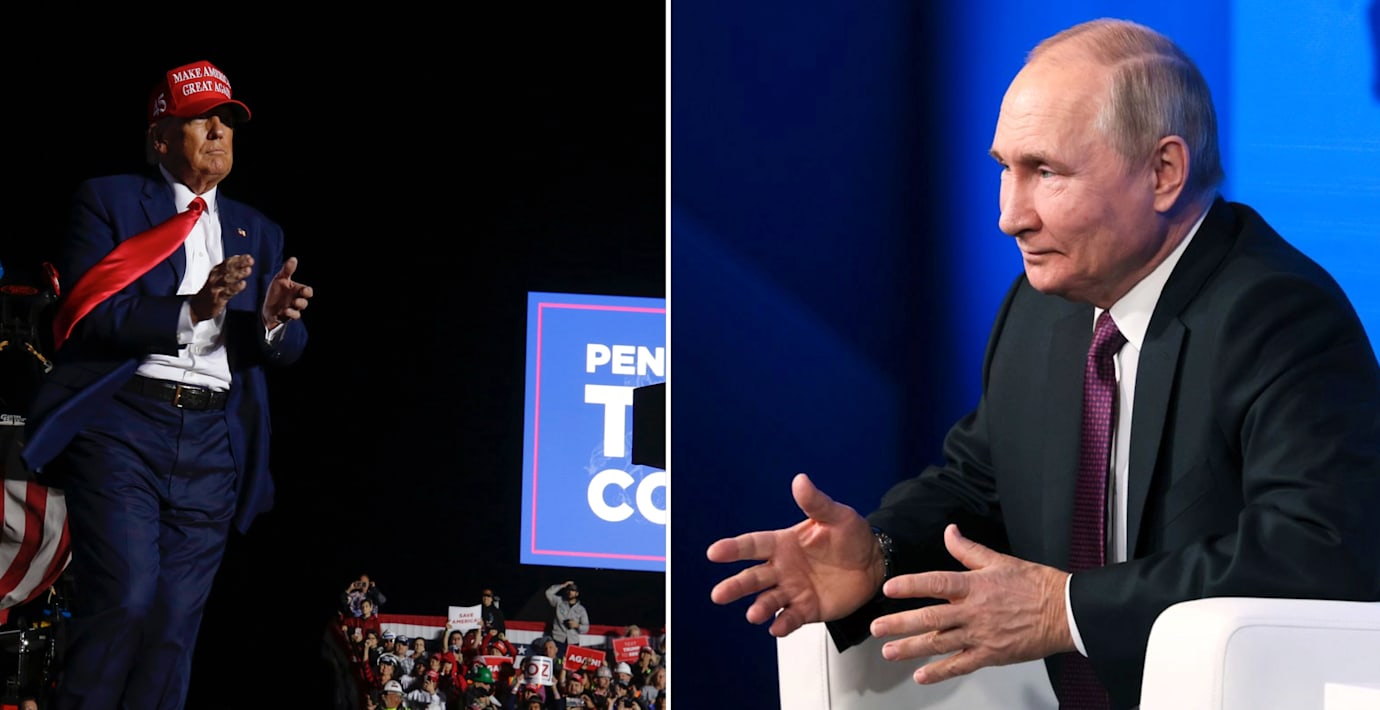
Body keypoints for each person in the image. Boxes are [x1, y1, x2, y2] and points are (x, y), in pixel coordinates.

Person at [706, 17, 1380, 710]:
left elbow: (1318, 550)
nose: (1010, 216)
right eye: (1005, 169)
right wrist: (878, 553)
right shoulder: (1041, 307)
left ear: (1163, 172)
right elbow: (981, 488)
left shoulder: (1278, 315)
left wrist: (1066, 609)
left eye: (1046, 172)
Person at [20, 59, 313, 710]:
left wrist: (272, 323)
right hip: (123, 426)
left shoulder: (258, 230)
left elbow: (284, 348)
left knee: (174, 626)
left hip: (213, 442)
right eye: (200, 119)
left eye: (227, 120)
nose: (218, 131)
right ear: (159, 138)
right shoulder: (110, 201)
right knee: (125, 599)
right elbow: (89, 316)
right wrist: (193, 309)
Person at [543, 581, 589, 655]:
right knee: (557, 660)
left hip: (573, 641)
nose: (570, 592)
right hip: (557, 639)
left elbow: (586, 628)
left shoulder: (581, 609)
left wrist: (577, 626)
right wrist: (562, 585)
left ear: (577, 593)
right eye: (569, 590)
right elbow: (548, 593)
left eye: (573, 590)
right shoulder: (559, 601)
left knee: (570, 662)